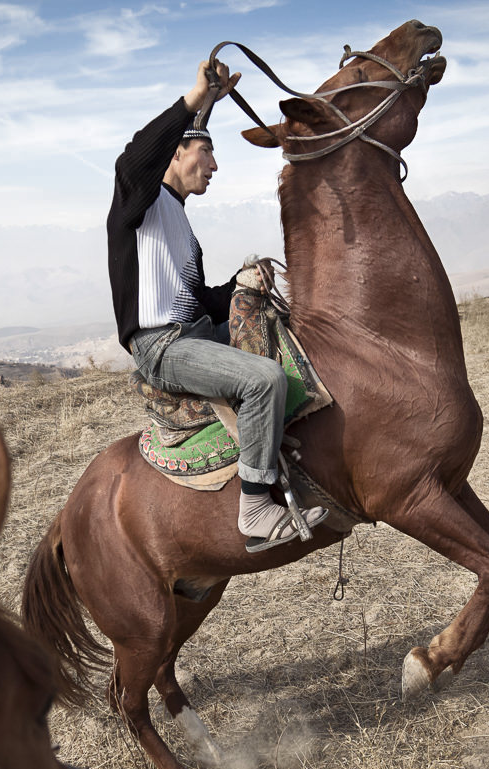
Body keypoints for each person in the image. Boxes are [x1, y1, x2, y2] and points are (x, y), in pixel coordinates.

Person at [108, 59, 328, 552]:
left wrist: (242, 283)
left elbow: (203, 300)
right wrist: (196, 96)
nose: (213, 165)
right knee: (262, 379)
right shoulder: (138, 203)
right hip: (161, 346)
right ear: (175, 152)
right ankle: (254, 507)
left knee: (289, 342)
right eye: (204, 151)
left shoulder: (180, 223)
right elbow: (135, 158)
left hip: (195, 334)